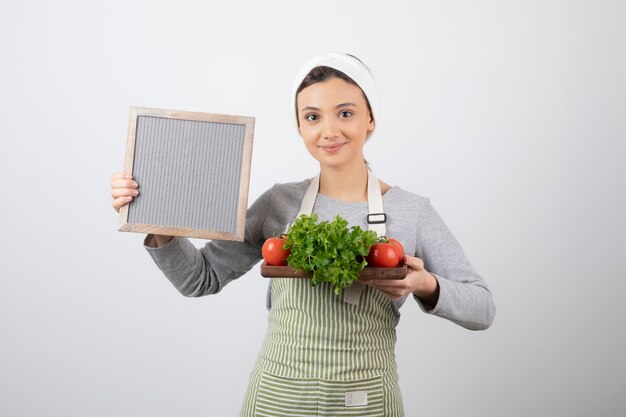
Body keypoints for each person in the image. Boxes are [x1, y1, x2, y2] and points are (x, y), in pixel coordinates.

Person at [110, 52, 495, 416]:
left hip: (365, 401)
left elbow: (482, 308)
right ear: (299, 126)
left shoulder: (412, 211)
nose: (329, 131)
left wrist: (426, 284)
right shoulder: (279, 202)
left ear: (370, 119)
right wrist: (154, 217)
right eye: (312, 117)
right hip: (278, 397)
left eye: (345, 113)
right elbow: (199, 279)